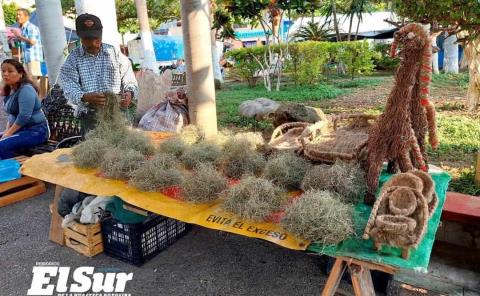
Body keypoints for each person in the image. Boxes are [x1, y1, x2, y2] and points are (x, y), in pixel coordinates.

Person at [59, 13, 138, 131]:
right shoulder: (73, 59)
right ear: (81, 37)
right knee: (97, 147)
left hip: (117, 111)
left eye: (97, 37)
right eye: (89, 38)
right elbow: (68, 87)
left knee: (122, 144)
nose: (95, 41)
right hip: (90, 116)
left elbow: (129, 78)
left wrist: (129, 92)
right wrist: (84, 97)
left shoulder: (114, 53)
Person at [0, 59, 48, 159]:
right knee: (4, 140)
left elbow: (24, 116)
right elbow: (12, 115)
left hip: (36, 131)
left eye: (10, 71)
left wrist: (8, 133)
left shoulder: (26, 89)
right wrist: (6, 131)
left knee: (2, 145)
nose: (5, 74)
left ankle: (12, 171)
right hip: (20, 130)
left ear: (20, 73)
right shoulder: (10, 89)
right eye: (3, 71)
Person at [14, 9, 44, 79]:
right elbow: (25, 41)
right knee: (27, 79)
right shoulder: (23, 28)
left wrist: (19, 36)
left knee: (33, 79)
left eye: (20, 15)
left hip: (33, 57)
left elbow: (32, 42)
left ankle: (36, 90)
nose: (17, 16)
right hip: (27, 58)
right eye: (17, 14)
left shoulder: (31, 27)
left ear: (27, 17)